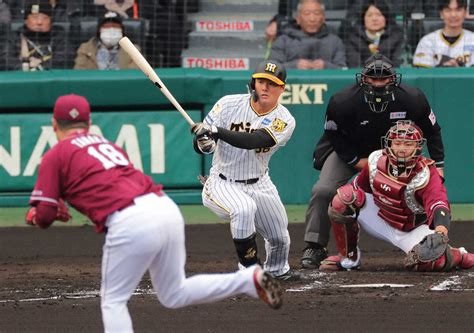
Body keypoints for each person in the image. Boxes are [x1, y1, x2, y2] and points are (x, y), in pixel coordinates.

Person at [25, 94, 284, 332]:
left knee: (113, 301)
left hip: (129, 221)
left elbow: (45, 216)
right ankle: (248, 279)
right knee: (174, 293)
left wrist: (38, 216)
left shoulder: (56, 154)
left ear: (53, 124)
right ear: (89, 121)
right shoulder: (106, 145)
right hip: (164, 208)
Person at [301, 53, 445, 269]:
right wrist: (356, 160)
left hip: (400, 155)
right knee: (323, 190)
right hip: (352, 152)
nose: (378, 83)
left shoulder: (412, 98)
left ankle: (433, 237)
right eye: (373, 78)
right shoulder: (342, 101)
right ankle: (314, 245)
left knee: (428, 188)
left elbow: (432, 131)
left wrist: (439, 165)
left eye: (384, 78)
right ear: (363, 78)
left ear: (393, 78)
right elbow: (334, 135)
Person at [190, 60, 300, 281]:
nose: (265, 87)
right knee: (243, 209)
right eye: (261, 81)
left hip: (260, 183)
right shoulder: (227, 104)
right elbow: (203, 144)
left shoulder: (284, 119)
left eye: (272, 83)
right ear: (253, 83)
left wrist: (216, 131)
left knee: (279, 238)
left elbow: (255, 140)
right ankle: (248, 270)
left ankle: (278, 271)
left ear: (282, 89)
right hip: (223, 182)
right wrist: (204, 143)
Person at [319, 120, 474, 272]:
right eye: (397, 143)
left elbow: (439, 206)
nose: (401, 149)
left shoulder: (427, 173)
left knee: (433, 261)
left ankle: (460, 256)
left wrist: (440, 232)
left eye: (408, 144)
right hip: (380, 217)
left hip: (413, 228)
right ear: (389, 144)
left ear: (418, 146)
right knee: (343, 199)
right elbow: (357, 190)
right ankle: (349, 257)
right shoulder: (375, 161)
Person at [269, 0, 347, 69]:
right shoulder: (283, 41)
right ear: (298, 19)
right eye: (307, 13)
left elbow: (343, 70)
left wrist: (326, 66)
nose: (312, 19)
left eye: (316, 13)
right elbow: (272, 68)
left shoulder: (335, 41)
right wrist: (294, 66)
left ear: (323, 18)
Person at [4, 0, 69, 71]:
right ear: (26, 20)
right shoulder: (15, 37)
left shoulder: (59, 36)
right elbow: (6, 59)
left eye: (45, 18)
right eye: (35, 17)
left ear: (51, 22)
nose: (39, 22)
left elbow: (65, 58)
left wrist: (40, 65)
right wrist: (26, 66)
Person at [413, 0, 474, 68]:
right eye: (448, 10)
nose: (453, 15)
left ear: (465, 13)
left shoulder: (472, 39)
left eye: (458, 10)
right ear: (441, 14)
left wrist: (457, 70)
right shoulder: (427, 41)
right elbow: (421, 75)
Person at [344, 0, 404, 68]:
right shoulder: (353, 38)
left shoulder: (396, 37)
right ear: (363, 18)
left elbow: (397, 64)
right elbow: (354, 65)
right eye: (369, 15)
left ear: (386, 17)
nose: (374, 19)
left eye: (379, 15)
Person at [74, 11, 138, 70]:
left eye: (116, 27)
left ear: (122, 31)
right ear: (99, 30)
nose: (111, 30)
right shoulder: (85, 49)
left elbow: (135, 73)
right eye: (106, 27)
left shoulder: (133, 50)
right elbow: (79, 71)